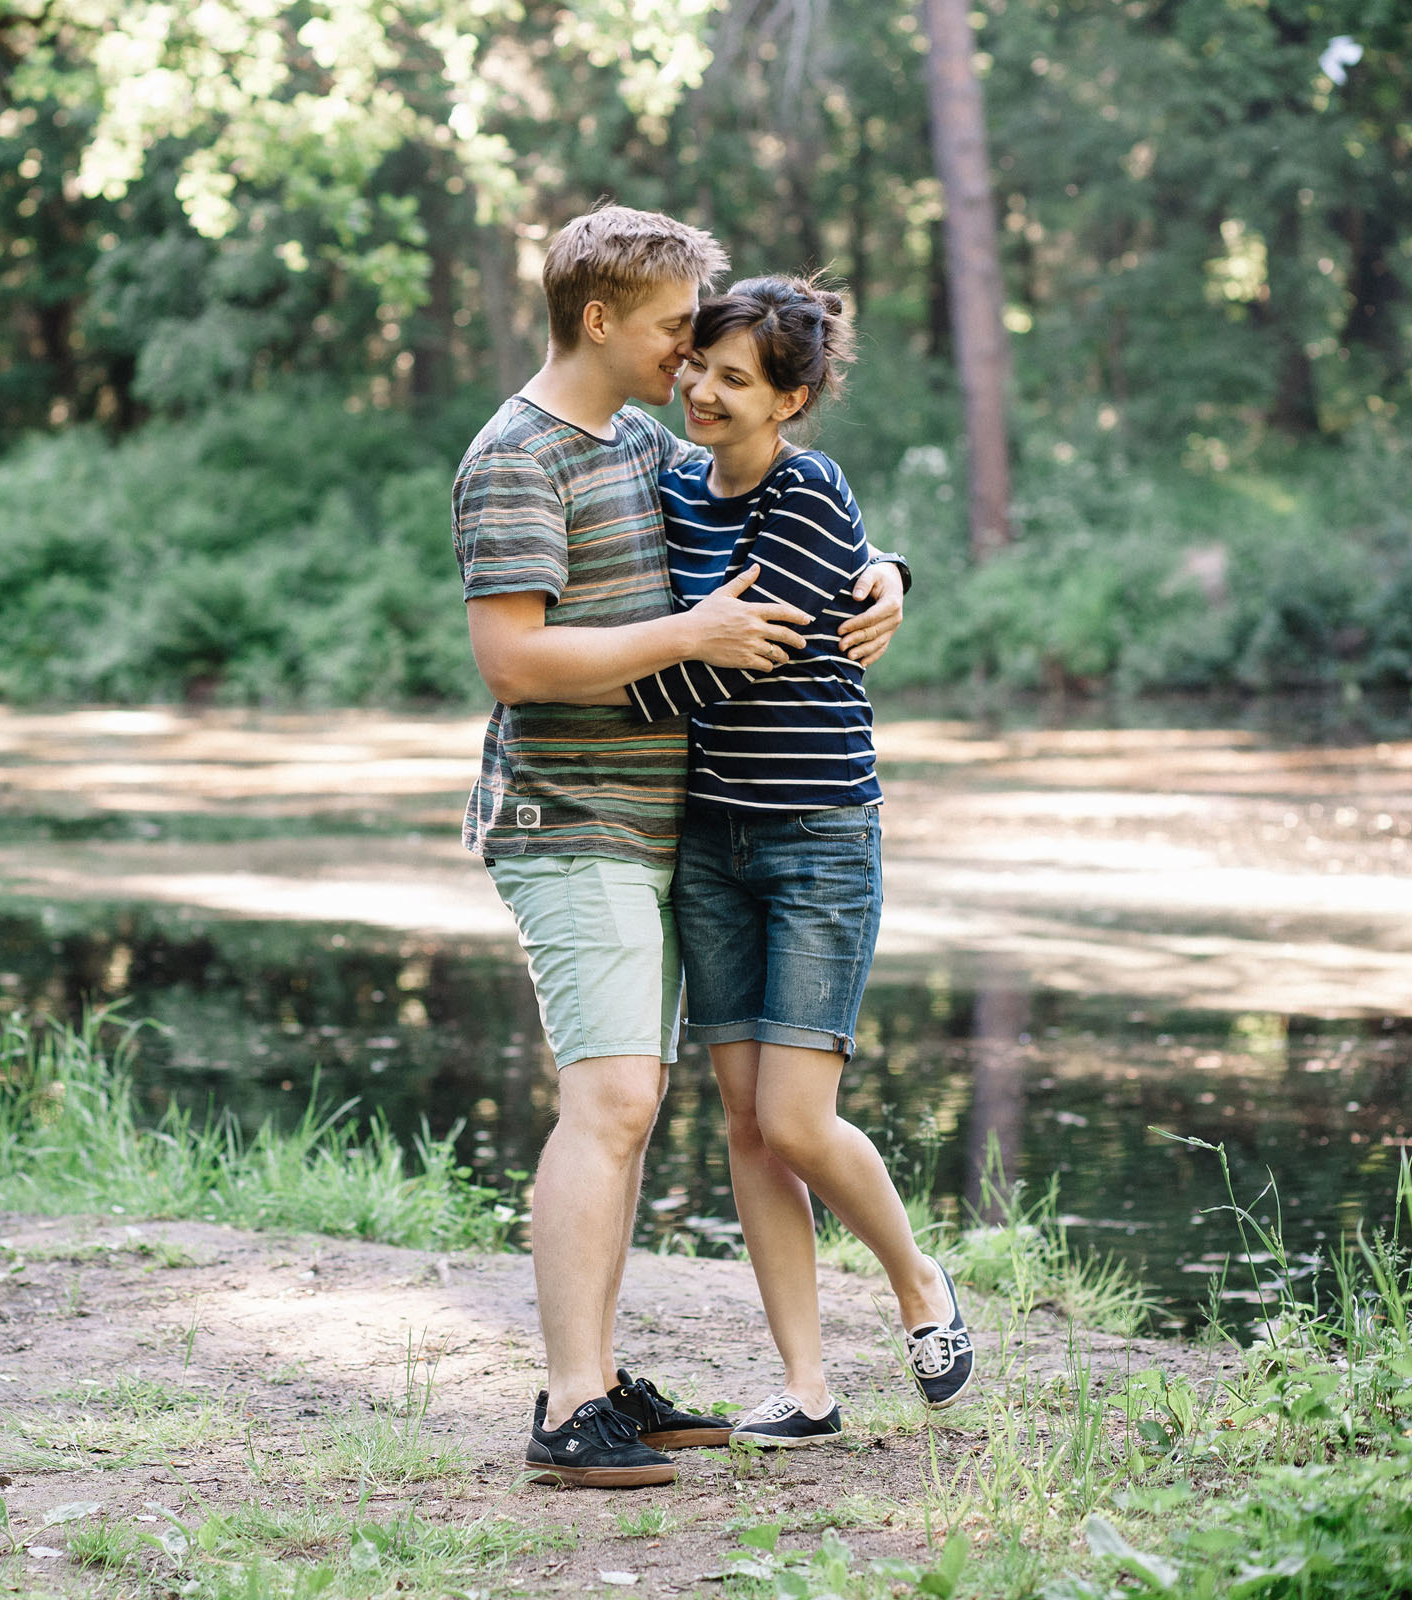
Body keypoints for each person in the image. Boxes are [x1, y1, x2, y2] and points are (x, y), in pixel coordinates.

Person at [453, 208, 908, 1489]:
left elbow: (770, 505)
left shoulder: (643, 438)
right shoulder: (514, 458)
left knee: (634, 1106)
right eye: (671, 330)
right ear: (600, 319)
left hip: (666, 828)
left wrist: (883, 570)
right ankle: (568, 1407)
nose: (687, 355)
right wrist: (691, 638)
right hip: (570, 819)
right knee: (613, 1102)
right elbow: (514, 660)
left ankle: (597, 1384)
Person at [620, 276, 974, 1447]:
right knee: (744, 1121)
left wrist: (587, 684)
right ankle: (808, 1385)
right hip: (710, 839)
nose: (703, 390)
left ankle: (919, 1281)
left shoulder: (808, 485)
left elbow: (740, 651)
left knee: (798, 1118)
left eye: (735, 377)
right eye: (700, 366)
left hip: (820, 833)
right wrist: (893, 564)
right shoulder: (673, 480)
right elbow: (706, 618)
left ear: (793, 397)